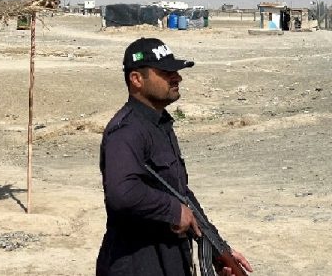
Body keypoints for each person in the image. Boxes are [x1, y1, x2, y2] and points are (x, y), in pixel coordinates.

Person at [96, 37, 252, 276]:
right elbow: (122, 192)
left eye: (176, 72)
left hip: (171, 259)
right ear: (136, 79)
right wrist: (172, 210)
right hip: (136, 263)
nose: (177, 77)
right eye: (166, 72)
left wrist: (220, 251)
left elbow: (181, 194)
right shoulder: (126, 131)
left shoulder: (160, 123)